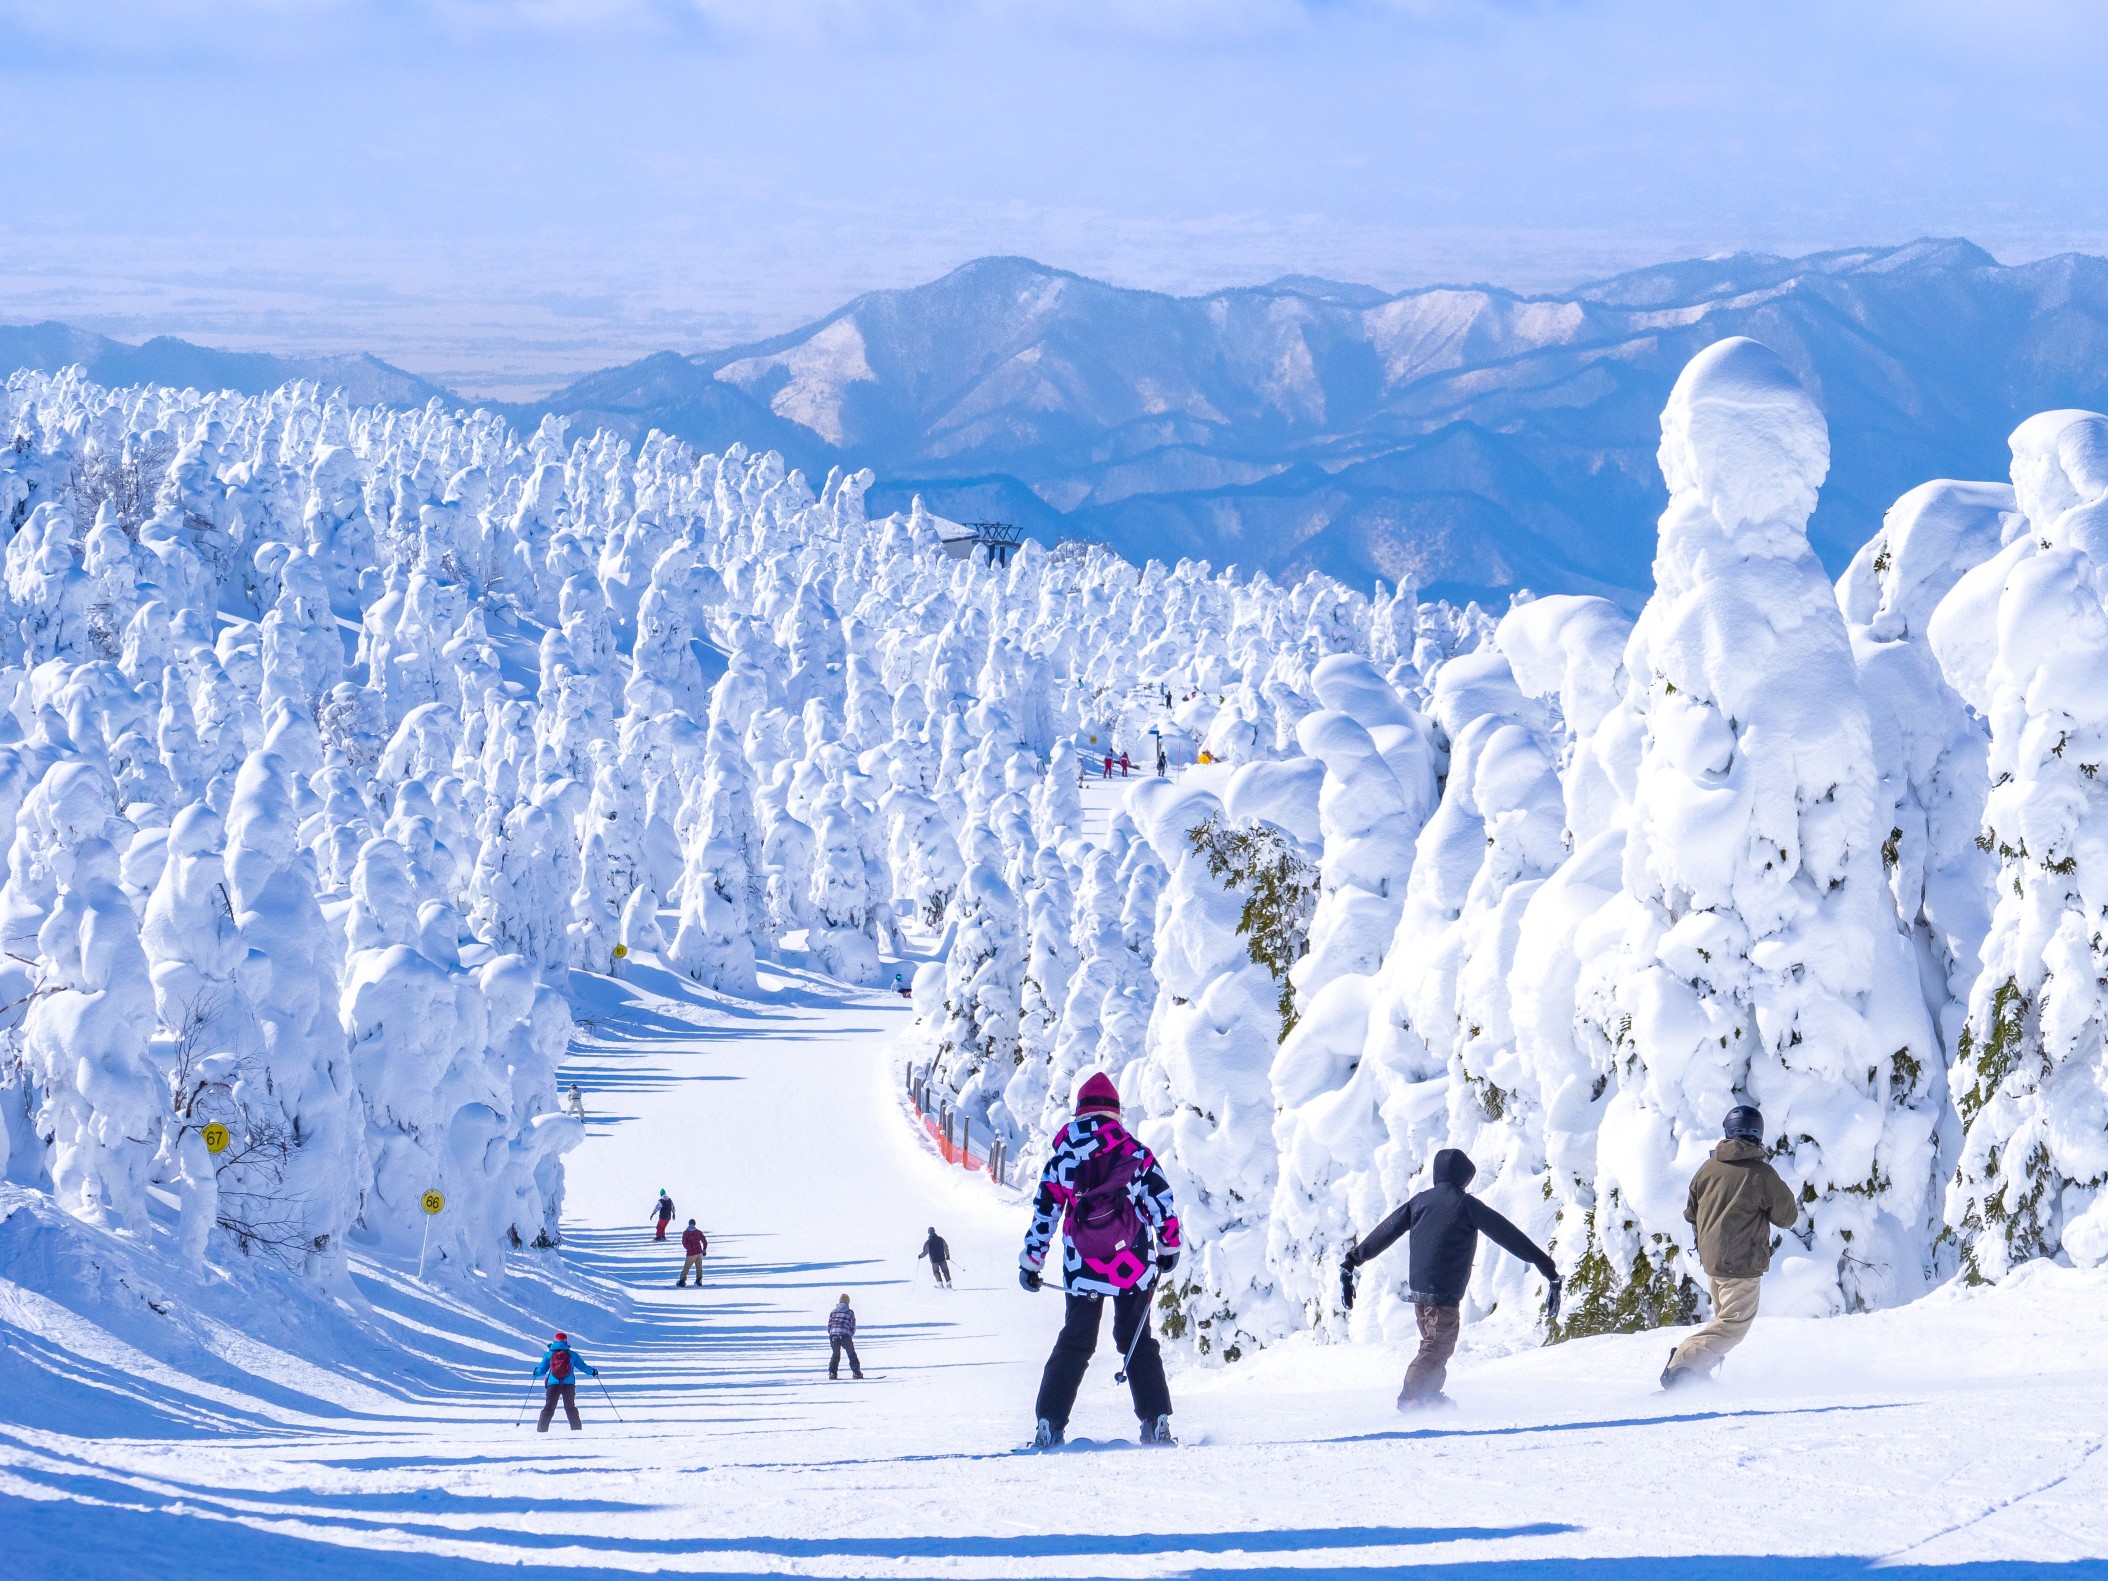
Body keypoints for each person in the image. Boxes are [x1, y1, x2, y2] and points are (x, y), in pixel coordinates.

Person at [1019, 1071, 1181, 1449]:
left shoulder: (1063, 1158)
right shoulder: (1135, 1153)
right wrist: (1168, 1247)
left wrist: (1032, 1262)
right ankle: (1156, 1420)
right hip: (1133, 1267)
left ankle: (1049, 1423)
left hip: (1082, 1269)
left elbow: (1045, 1214)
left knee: (1075, 1342)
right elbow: (1161, 1202)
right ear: (1114, 1113)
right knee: (1137, 1341)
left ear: (1079, 1113)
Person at [1341, 1147, 1559, 1410]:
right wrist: (1547, 1268)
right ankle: (1411, 1397)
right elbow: (1509, 1236)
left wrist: (1353, 1260)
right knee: (1436, 1347)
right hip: (1442, 1291)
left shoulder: (1419, 1202)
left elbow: (1385, 1232)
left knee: (1436, 1345)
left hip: (1421, 1292)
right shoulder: (1465, 1205)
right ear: (1463, 1177)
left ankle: (1429, 1397)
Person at [1661, 1105, 1798, 1390]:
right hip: (1742, 1262)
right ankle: (1682, 1364)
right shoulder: (1761, 1174)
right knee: (1734, 1326)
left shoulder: (1708, 1169)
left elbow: (1690, 1213)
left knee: (1723, 1321)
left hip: (1712, 1262)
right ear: (1758, 1135)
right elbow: (1787, 1217)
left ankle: (1695, 1372)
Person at [533, 1331, 599, 1432]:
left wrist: (536, 1372)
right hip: (568, 1385)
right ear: (566, 1341)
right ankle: (576, 1430)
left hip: (553, 1384)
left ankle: (541, 1430)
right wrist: (593, 1372)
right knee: (570, 1407)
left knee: (549, 1408)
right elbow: (583, 1367)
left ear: (555, 1341)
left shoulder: (548, 1355)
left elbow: (542, 1370)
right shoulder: (572, 1355)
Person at [828, 1294, 864, 1379]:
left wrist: (832, 1333)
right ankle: (856, 1372)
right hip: (845, 1335)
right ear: (848, 1302)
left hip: (834, 1336)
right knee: (851, 1354)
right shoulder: (850, 1312)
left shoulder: (833, 1312)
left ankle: (832, 1373)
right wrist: (850, 1334)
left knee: (835, 1354)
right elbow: (853, 1326)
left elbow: (829, 1325)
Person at [677, 1219, 708, 1287]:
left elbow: (684, 1243)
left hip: (691, 1253)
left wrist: (688, 1248)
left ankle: (682, 1281)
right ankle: (698, 1280)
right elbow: (704, 1241)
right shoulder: (698, 1232)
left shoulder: (686, 1233)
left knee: (686, 1267)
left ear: (689, 1224)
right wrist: (704, 1249)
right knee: (699, 1267)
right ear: (695, 1224)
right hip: (699, 1252)